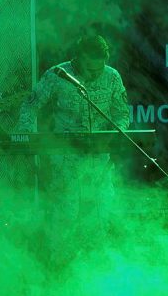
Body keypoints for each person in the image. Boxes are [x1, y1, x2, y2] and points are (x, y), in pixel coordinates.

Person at [15, 34, 130, 269]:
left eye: (98, 69)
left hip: (98, 163)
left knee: (98, 220)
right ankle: (60, 277)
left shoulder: (112, 77)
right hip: (64, 161)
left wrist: (116, 135)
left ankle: (95, 276)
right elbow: (30, 105)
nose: (93, 75)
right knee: (64, 221)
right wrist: (27, 136)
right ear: (77, 59)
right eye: (88, 68)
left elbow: (122, 113)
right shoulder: (58, 75)